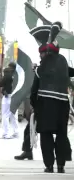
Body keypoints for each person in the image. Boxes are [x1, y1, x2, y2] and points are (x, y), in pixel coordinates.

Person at [30, 22, 70, 173]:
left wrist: (34, 105)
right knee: (61, 134)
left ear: (44, 53)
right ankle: (61, 165)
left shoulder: (43, 66)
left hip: (46, 104)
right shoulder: (64, 62)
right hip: (63, 104)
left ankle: (49, 165)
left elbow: (34, 90)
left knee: (46, 134)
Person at [0, 62, 19, 139]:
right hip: (15, 97)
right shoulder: (18, 76)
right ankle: (16, 132)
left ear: (10, 67)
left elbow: (0, 83)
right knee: (14, 115)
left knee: (5, 115)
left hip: (8, 96)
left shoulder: (7, 75)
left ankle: (6, 133)